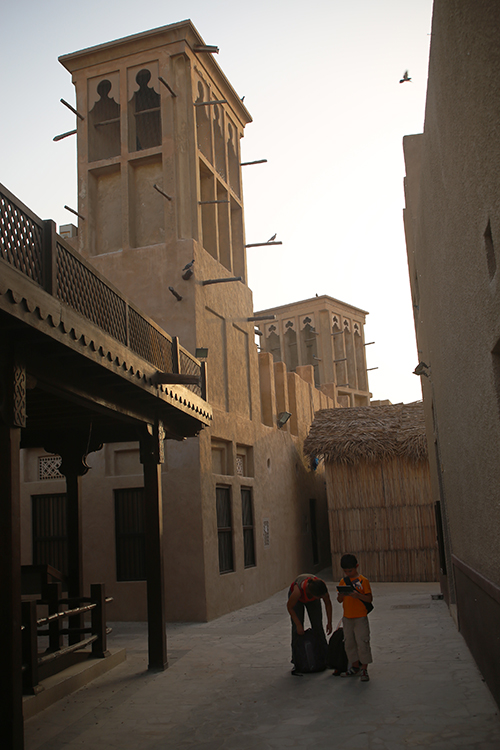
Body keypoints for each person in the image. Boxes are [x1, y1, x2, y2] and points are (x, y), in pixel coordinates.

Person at [336, 554, 373, 682]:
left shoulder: (363, 581)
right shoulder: (343, 581)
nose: (348, 573)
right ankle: (355, 666)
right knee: (349, 643)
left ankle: (364, 668)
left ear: (356, 567)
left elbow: (369, 599)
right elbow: (339, 600)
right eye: (345, 571)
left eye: (350, 571)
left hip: (360, 617)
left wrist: (358, 596)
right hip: (347, 617)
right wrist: (341, 595)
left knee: (362, 642)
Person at [287, 574, 333, 675]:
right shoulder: (297, 592)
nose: (322, 598)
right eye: (319, 597)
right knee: (296, 631)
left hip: (312, 598)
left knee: (318, 626)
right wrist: (299, 624)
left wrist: (329, 622)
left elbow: (328, 603)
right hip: (297, 601)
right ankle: (297, 661)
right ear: (312, 594)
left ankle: (325, 658)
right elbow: (290, 607)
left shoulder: (321, 587)